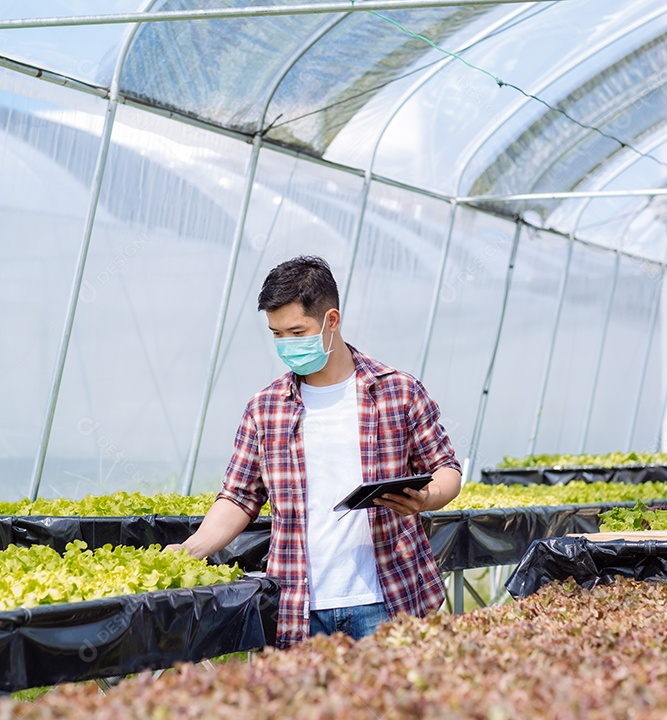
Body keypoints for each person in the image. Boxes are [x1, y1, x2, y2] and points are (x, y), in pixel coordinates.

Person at [166, 255, 462, 648]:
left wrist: (426, 498)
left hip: (388, 598)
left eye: (297, 331)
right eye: (276, 335)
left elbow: (446, 469)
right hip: (297, 608)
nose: (286, 345)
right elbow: (239, 497)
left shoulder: (398, 391)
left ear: (331, 321)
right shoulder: (266, 407)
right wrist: (191, 549)